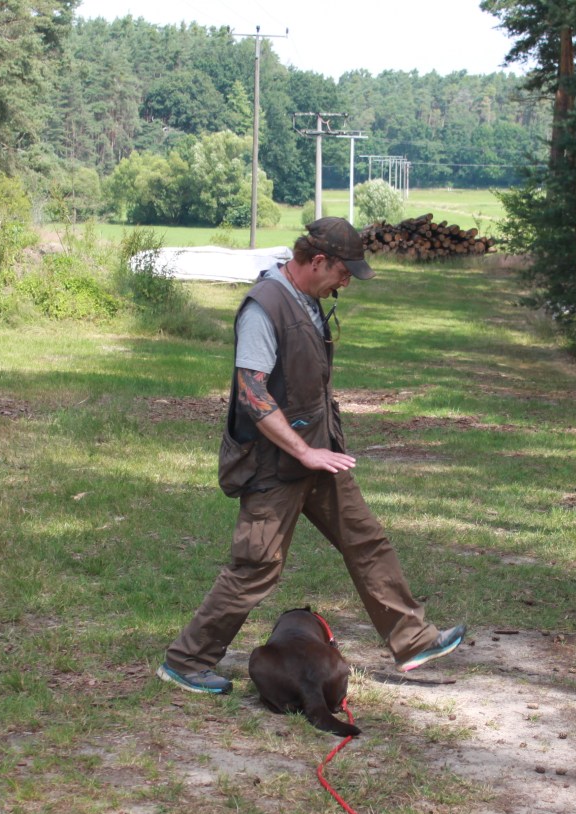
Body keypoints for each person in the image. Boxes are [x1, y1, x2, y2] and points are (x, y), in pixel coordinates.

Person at [158, 217, 465, 695]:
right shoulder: (264, 307)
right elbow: (252, 394)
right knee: (256, 566)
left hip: (319, 455)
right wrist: (303, 450)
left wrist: (317, 449)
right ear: (318, 261)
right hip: (274, 465)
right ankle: (186, 661)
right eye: (344, 272)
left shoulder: (309, 299)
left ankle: (414, 640)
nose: (347, 283)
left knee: (366, 540)